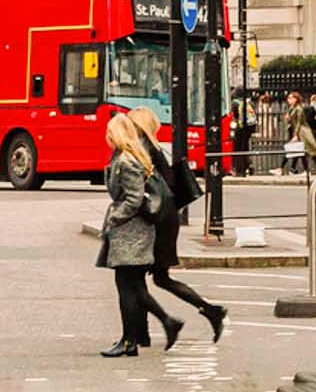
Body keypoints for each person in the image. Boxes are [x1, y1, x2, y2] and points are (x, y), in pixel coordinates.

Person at [124, 107, 227, 344]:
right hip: (167, 218)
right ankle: (206, 312)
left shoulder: (144, 148)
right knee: (157, 277)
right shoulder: (154, 148)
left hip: (160, 220)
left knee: (141, 276)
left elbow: (160, 187)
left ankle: (192, 315)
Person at [95, 112, 174, 358]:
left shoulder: (126, 161)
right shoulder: (126, 157)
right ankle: (138, 336)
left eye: (108, 133)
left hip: (131, 232)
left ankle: (131, 340)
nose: (106, 137)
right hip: (133, 231)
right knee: (133, 286)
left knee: (127, 287)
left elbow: (134, 198)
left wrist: (114, 218)